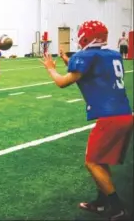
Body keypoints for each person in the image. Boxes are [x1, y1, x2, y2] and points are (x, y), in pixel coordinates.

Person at [41, 20, 133, 221]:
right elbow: (96, 73)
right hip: (125, 114)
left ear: (85, 37)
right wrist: (68, 62)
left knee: (92, 162)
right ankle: (102, 202)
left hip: (110, 118)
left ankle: (117, 208)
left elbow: (62, 83)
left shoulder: (86, 55)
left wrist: (50, 68)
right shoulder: (113, 54)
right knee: (98, 160)